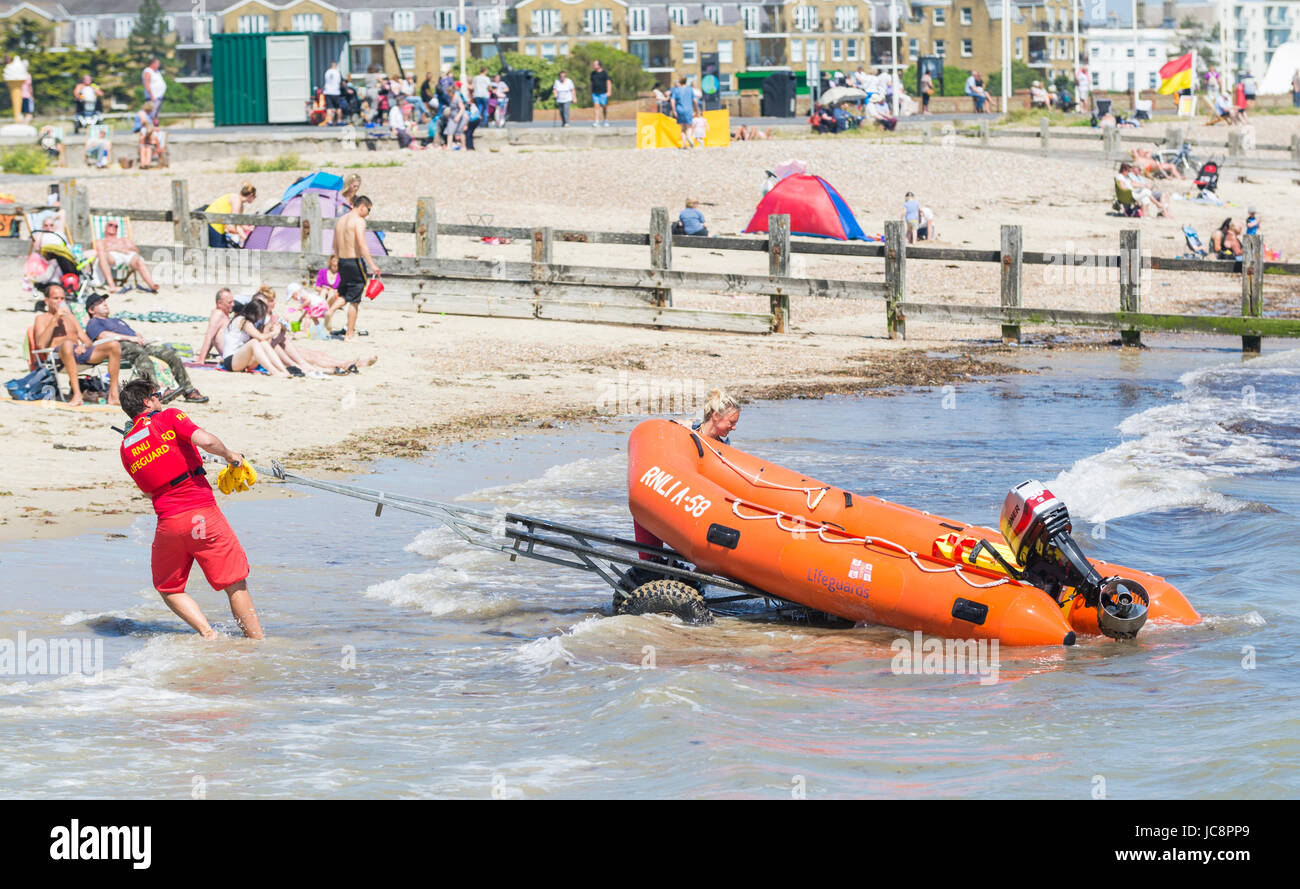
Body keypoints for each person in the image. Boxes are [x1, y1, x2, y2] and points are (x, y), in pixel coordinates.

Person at [117, 379, 263, 640]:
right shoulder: (169, 417)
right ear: (147, 402)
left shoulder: (126, 446)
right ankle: (256, 643)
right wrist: (231, 456)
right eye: (158, 396)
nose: (162, 401)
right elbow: (206, 440)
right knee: (234, 583)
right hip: (201, 513)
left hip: (169, 524)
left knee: (168, 588)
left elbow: (148, 491)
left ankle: (208, 634)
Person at [632, 389, 740, 563]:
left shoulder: (725, 446)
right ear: (716, 416)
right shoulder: (685, 431)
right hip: (675, 499)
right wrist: (673, 424)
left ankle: (697, 585)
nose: (734, 427)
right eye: (732, 422)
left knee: (716, 542)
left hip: (699, 506)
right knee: (644, 509)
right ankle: (649, 566)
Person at [84, 293, 208, 403]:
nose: (105, 304)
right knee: (138, 353)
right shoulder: (94, 322)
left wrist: (139, 337)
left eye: (104, 301)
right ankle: (156, 392)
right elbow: (103, 336)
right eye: (99, 303)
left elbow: (133, 333)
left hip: (137, 345)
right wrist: (129, 338)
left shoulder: (117, 320)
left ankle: (189, 390)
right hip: (117, 347)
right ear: (91, 310)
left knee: (170, 354)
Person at [32, 284, 121, 406]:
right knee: (68, 344)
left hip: (78, 354)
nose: (60, 301)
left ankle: (113, 395)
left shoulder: (71, 318)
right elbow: (41, 345)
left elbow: (88, 341)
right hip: (57, 358)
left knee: (114, 345)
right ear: (46, 300)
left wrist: (83, 346)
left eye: (62, 298)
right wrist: (56, 318)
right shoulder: (41, 318)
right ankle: (77, 394)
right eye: (56, 298)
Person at [335, 196, 380, 341]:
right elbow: (362, 244)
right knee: (354, 299)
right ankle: (349, 334)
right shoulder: (359, 221)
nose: (368, 213)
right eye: (369, 209)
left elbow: (335, 243)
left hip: (341, 260)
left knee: (343, 293)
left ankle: (330, 310)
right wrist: (372, 265)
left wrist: (336, 260)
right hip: (354, 261)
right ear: (362, 206)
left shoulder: (341, 220)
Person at [220, 298, 299, 376]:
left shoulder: (248, 322)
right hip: (231, 362)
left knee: (263, 343)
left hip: (241, 360)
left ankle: (284, 370)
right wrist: (274, 332)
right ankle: (274, 371)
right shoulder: (242, 321)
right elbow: (260, 337)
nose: (260, 318)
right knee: (255, 342)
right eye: (260, 316)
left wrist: (270, 328)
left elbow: (262, 339)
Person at [92, 219, 161, 293]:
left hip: (127, 254)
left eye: (116, 226)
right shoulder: (101, 241)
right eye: (110, 225)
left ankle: (152, 285)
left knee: (138, 260)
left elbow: (136, 250)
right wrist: (117, 248)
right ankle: (112, 286)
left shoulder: (124, 240)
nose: (113, 227)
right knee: (101, 254)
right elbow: (99, 250)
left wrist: (126, 248)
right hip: (112, 256)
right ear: (105, 227)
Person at [203, 183, 256, 248]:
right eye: (255, 197)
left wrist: (246, 228)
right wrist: (242, 234)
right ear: (251, 195)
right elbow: (234, 222)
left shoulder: (239, 203)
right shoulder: (236, 200)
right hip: (212, 225)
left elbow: (238, 222)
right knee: (220, 251)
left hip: (216, 225)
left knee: (224, 249)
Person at [199, 288, 235, 362]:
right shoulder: (218, 314)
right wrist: (201, 359)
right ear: (219, 303)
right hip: (232, 356)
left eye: (233, 302)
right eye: (229, 302)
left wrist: (206, 355)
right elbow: (209, 336)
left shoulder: (224, 314)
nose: (233, 304)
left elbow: (213, 337)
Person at [670, 77, 695, 147]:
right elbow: (695, 100)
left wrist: (674, 110)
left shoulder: (676, 90)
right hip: (688, 110)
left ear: (680, 82)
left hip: (679, 110)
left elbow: (672, 100)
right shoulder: (690, 89)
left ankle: (684, 145)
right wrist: (697, 109)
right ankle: (689, 137)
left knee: (683, 128)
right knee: (689, 126)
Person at [143, 59, 166, 124]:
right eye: (157, 63)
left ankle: (155, 128)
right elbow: (147, 84)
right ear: (152, 63)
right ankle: (149, 128)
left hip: (158, 96)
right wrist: (151, 96)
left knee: (155, 115)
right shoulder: (148, 71)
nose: (159, 65)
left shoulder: (156, 71)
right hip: (152, 97)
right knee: (151, 114)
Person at [590, 60, 611, 127]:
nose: (594, 66)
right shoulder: (592, 73)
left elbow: (608, 82)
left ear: (599, 65)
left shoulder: (604, 73)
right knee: (596, 107)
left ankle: (605, 120)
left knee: (604, 107)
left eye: (595, 64)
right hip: (595, 93)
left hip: (603, 93)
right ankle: (597, 121)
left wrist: (609, 91)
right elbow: (591, 83)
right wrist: (591, 92)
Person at [323, 60, 342, 125]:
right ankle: (339, 121)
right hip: (336, 91)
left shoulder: (327, 72)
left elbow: (326, 82)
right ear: (335, 65)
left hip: (328, 91)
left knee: (329, 108)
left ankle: (330, 121)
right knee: (338, 107)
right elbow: (340, 82)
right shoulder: (337, 72)